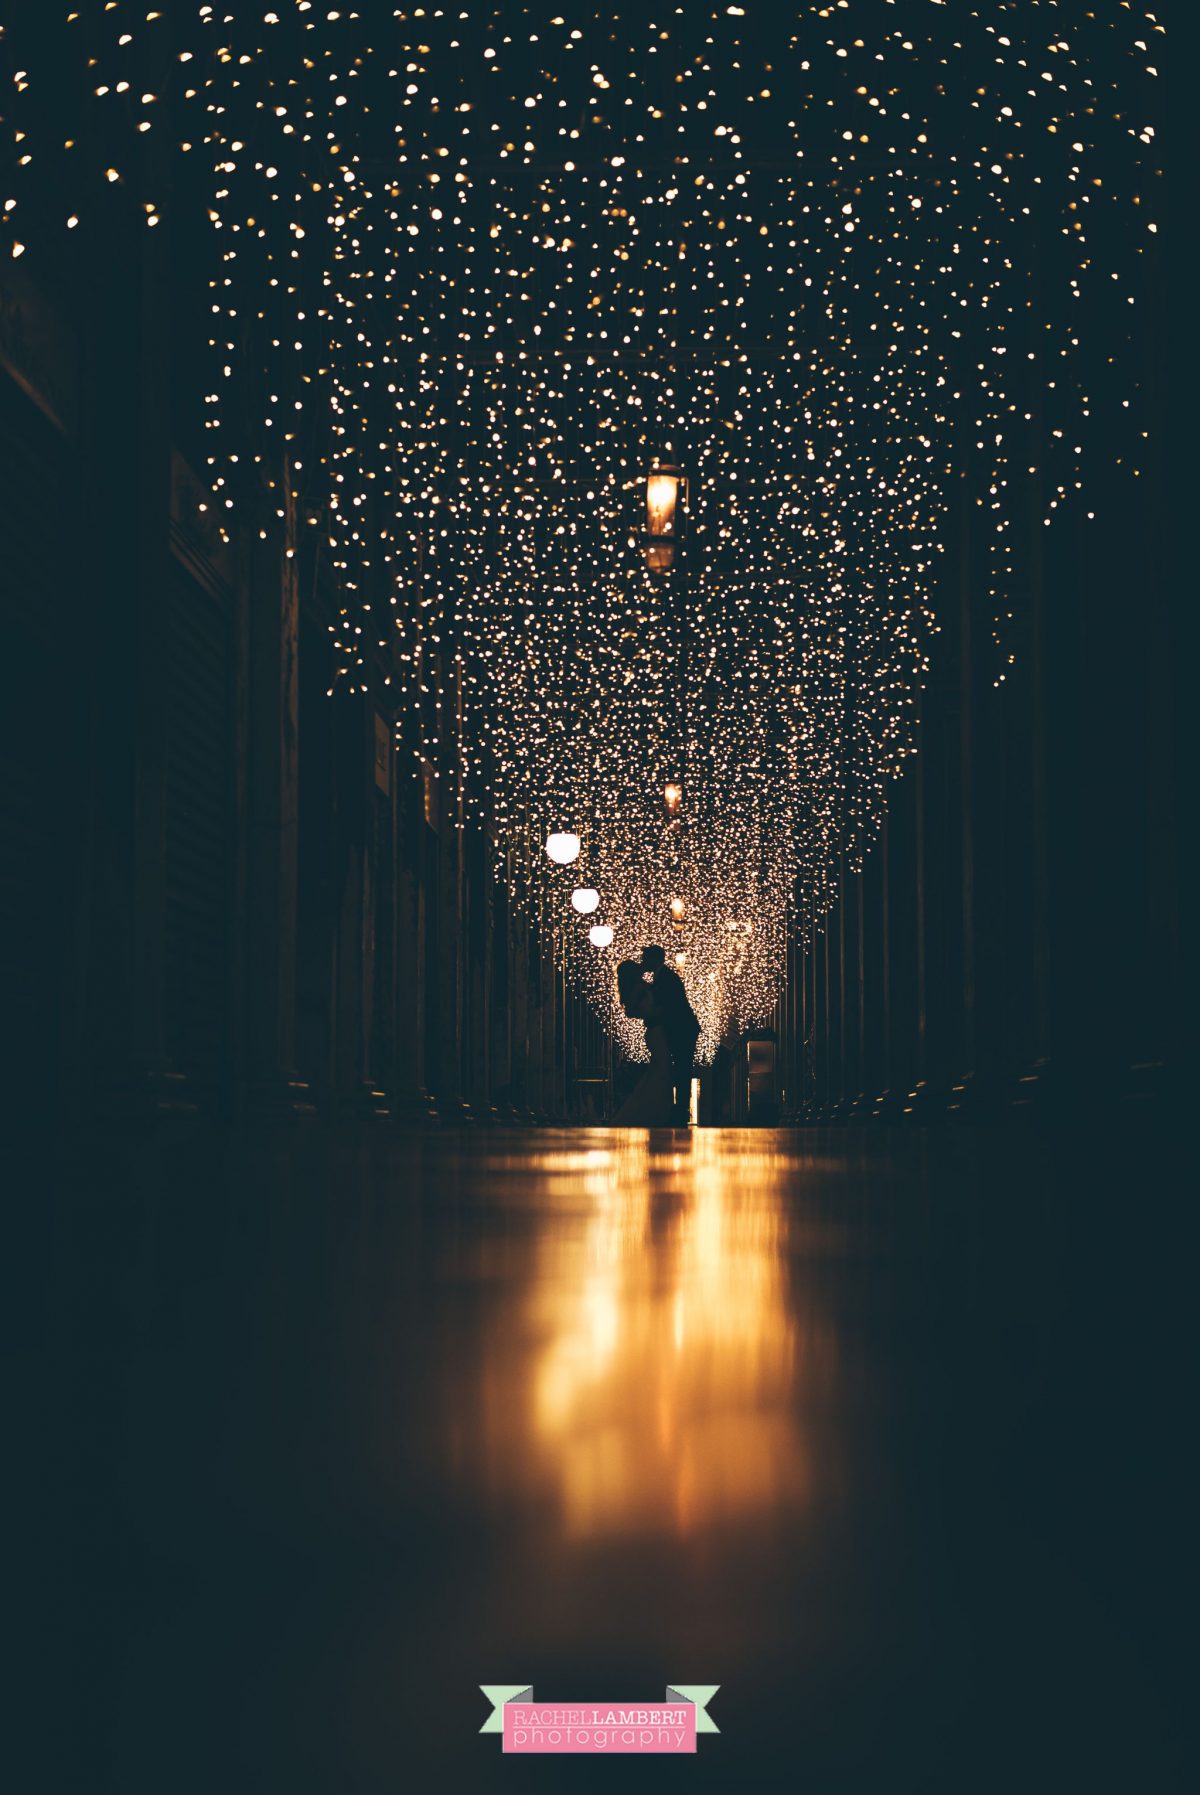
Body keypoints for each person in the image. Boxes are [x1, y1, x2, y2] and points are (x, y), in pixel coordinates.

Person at [611, 959, 676, 1125]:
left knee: (658, 1072)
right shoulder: (638, 990)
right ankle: (651, 1111)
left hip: (655, 1032)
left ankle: (650, 1110)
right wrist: (658, 1012)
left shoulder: (635, 989)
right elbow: (637, 1011)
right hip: (656, 1032)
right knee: (661, 1072)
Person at [640, 945, 701, 1124]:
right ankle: (679, 1108)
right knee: (682, 1067)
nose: (643, 962)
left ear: (654, 959)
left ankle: (681, 1110)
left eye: (645, 958)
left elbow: (668, 1007)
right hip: (682, 1029)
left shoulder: (666, 978)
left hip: (681, 1030)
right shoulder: (663, 976)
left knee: (682, 1068)